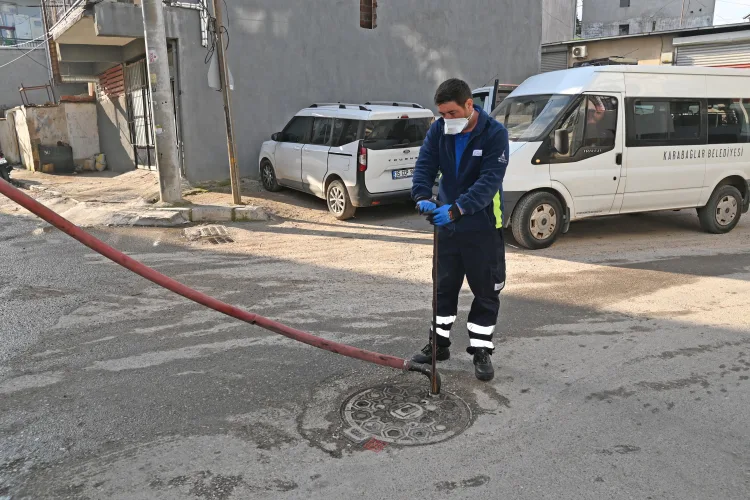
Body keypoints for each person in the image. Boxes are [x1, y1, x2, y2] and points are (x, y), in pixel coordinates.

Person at [411, 78, 509, 381]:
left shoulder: (494, 134)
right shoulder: (439, 130)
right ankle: (438, 344)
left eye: (452, 113)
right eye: (442, 113)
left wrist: (455, 209)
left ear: (469, 105)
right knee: (443, 289)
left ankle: (481, 349)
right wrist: (422, 196)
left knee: (485, 292)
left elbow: (488, 182)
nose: (446, 119)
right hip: (448, 230)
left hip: (482, 228)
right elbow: (425, 164)